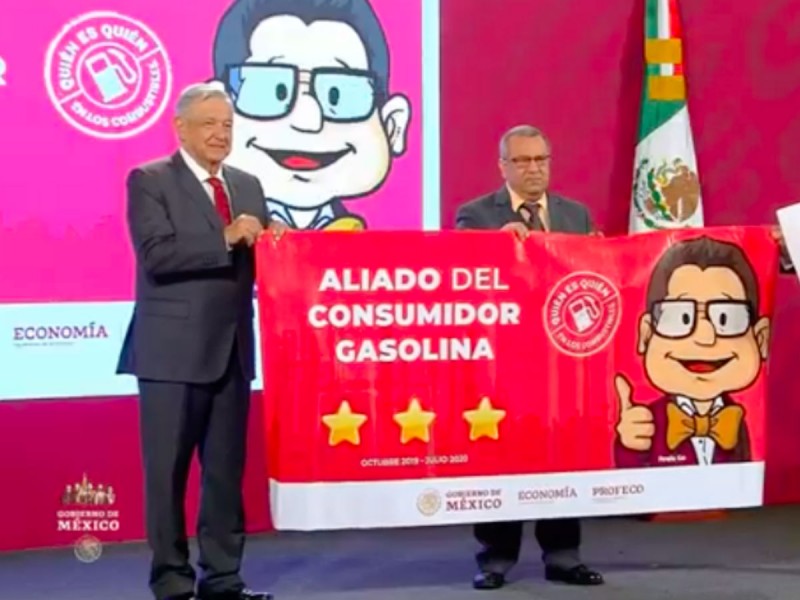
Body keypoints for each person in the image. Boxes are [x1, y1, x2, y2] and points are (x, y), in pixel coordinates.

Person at [117, 82, 287, 600]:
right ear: (181, 128)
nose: (220, 134)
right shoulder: (150, 180)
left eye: (228, 125)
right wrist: (226, 236)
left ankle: (224, 580)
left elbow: (260, 260)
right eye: (209, 124)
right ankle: (171, 580)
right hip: (170, 355)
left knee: (224, 476)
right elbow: (156, 255)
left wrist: (283, 247)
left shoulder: (248, 185)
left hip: (232, 351)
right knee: (167, 475)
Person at [455, 125, 604, 589]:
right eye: (522, 161)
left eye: (541, 159)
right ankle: (496, 558)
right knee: (501, 456)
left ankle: (563, 555)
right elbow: (458, 272)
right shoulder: (475, 215)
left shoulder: (575, 214)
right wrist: (496, 246)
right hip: (504, 363)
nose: (534, 168)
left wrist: (601, 255)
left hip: (565, 361)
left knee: (564, 452)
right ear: (503, 166)